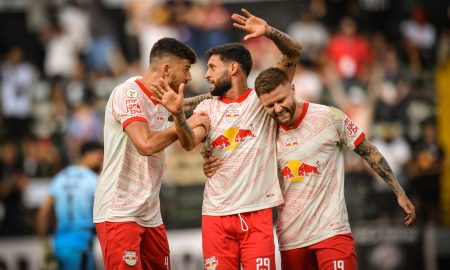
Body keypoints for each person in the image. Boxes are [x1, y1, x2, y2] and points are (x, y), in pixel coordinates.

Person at [204, 67, 416, 270]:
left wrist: (398, 190)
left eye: (281, 100)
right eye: (269, 106)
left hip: (332, 232)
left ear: (293, 89)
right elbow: (235, 155)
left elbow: (369, 151)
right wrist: (210, 162)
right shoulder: (263, 133)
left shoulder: (330, 117)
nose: (277, 109)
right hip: (291, 240)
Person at [151, 9, 302, 270]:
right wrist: (178, 115)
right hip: (216, 216)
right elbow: (189, 143)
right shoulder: (207, 107)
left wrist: (269, 32)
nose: (206, 74)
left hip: (258, 213)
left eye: (211, 67)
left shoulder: (261, 100)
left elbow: (293, 53)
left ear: (233, 68)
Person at [92, 37, 210, 270]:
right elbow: (145, 145)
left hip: (150, 213)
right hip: (119, 211)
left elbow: (190, 111)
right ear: (166, 69)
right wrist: (183, 123)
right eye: (185, 69)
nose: (188, 77)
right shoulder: (129, 94)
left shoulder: (164, 100)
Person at [37, 141, 104, 270]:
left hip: (59, 243)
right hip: (81, 243)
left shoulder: (60, 177)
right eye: (100, 157)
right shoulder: (94, 180)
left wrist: (45, 245)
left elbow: (43, 213)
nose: (101, 161)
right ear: (91, 155)